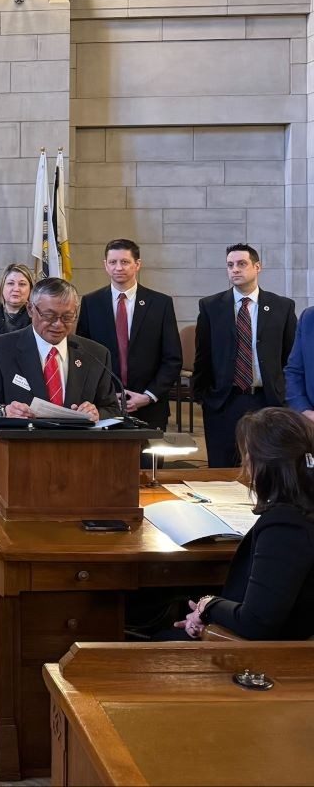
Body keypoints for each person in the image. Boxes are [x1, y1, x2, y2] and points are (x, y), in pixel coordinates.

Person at [173, 407, 314, 641]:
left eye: (248, 456)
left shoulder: (286, 526)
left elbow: (257, 622)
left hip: (267, 659)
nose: (246, 467)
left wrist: (208, 606)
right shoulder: (301, 509)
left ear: (267, 463)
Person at [192, 243, 296, 468]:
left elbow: (290, 358)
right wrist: (203, 396)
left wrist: (285, 395)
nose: (235, 270)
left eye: (241, 264)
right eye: (230, 265)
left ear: (257, 267)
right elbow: (203, 356)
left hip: (267, 400)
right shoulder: (211, 306)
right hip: (224, 400)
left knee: (271, 465)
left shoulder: (282, 307)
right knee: (222, 469)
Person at [0, 277, 122, 425]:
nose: (58, 324)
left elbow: (113, 410)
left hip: (79, 447)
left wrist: (96, 414)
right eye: (49, 316)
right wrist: (5, 411)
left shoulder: (96, 354)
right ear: (30, 309)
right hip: (22, 446)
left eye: (67, 317)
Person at [76, 239, 182, 445]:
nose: (118, 267)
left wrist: (149, 395)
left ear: (137, 264)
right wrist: (106, 394)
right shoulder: (91, 303)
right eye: (113, 262)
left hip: (149, 406)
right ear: (105, 265)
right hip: (104, 405)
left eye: (124, 262)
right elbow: (83, 356)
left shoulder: (160, 303)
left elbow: (172, 358)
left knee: (148, 469)